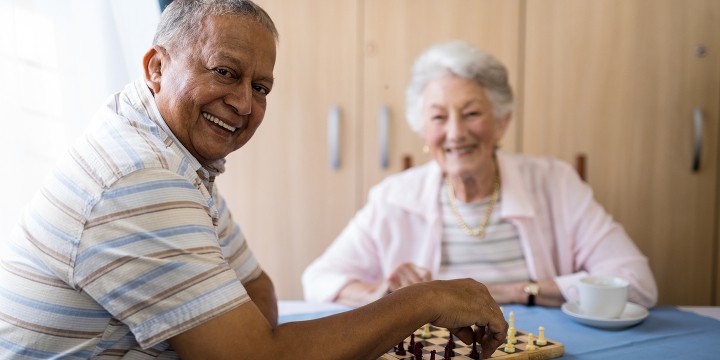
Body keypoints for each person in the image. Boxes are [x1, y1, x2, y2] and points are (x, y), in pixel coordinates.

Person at [0, 2, 507, 359]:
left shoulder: (172, 154)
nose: (244, 104)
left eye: (260, 87)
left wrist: (237, 336)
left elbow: (255, 285)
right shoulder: (138, 175)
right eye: (225, 72)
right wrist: (423, 300)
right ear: (157, 67)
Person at [302, 40, 658, 310]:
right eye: (439, 118)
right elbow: (318, 280)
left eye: (471, 113)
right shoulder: (394, 197)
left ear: (502, 122)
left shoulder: (556, 183)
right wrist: (381, 295)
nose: (456, 133)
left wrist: (514, 292)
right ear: (424, 131)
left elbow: (638, 284)